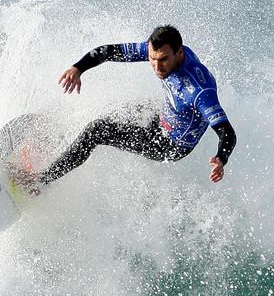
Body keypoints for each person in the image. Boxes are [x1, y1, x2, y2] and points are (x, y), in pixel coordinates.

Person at [31, 25, 236, 188]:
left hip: (171, 145)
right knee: (120, 109)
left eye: (163, 60)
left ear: (179, 53)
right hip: (165, 116)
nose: (157, 67)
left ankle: (42, 181)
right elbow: (108, 51)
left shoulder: (199, 91)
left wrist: (221, 158)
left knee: (97, 130)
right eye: (152, 59)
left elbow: (227, 133)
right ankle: (58, 144)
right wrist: (78, 68)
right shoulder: (159, 51)